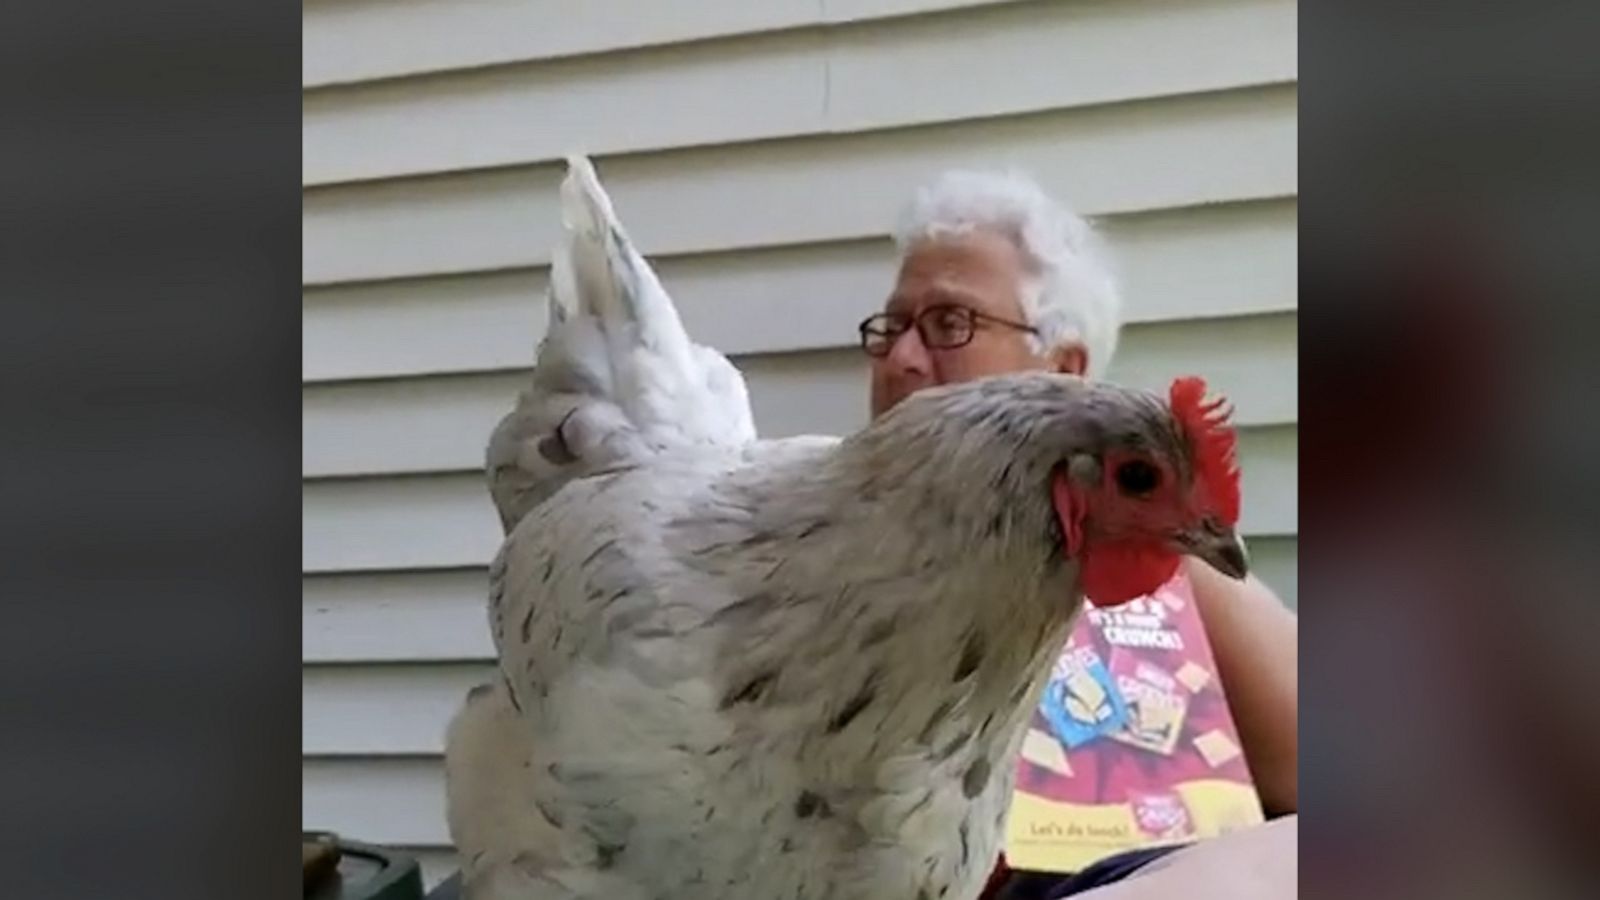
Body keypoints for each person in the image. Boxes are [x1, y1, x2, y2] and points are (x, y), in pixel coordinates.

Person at [861, 169, 1298, 897]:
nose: (901, 358)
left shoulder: (1160, 546)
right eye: (891, 327)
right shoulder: (816, 554)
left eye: (948, 324)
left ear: (1064, 369)